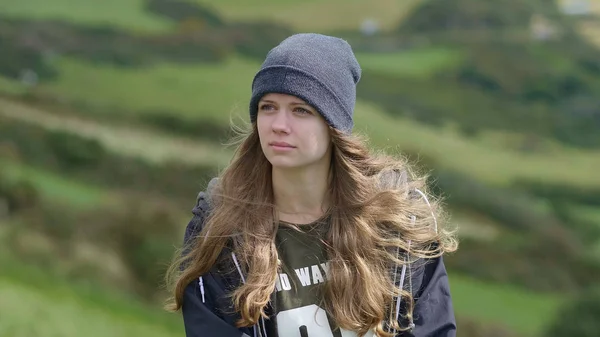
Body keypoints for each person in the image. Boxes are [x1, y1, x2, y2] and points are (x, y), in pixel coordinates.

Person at [166, 33, 458, 337]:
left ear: (334, 126)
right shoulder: (220, 227)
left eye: (300, 110)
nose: (279, 124)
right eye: (268, 107)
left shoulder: (399, 223)